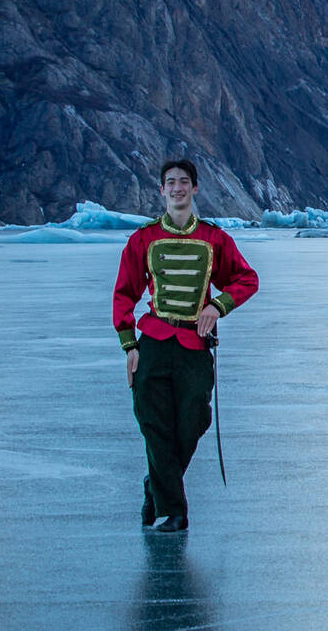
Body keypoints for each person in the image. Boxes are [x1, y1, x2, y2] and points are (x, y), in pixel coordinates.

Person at [111, 159, 259, 532]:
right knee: (154, 424)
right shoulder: (143, 239)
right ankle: (174, 511)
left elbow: (246, 279)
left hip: (194, 346)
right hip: (154, 343)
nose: (177, 188)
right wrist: (130, 345)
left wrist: (216, 305)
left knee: (193, 421)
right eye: (170, 183)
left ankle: (155, 487)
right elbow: (124, 293)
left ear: (195, 189)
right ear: (161, 191)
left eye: (183, 182)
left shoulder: (214, 239)